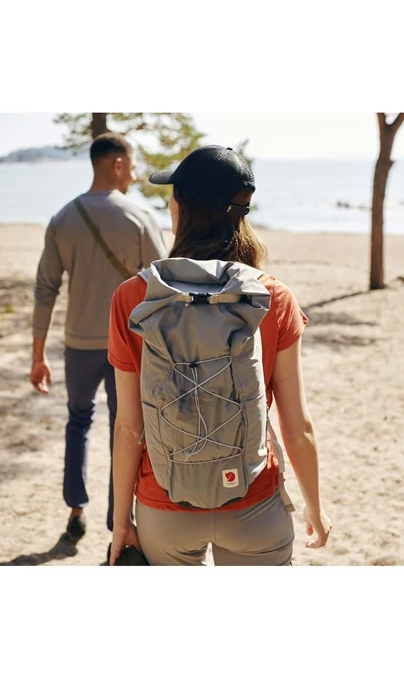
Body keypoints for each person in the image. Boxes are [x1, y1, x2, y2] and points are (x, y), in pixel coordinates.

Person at [106, 145, 332, 565]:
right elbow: (297, 425)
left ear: (180, 206)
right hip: (254, 503)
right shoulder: (271, 297)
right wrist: (314, 508)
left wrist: (122, 521)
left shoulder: (134, 298)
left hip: (164, 505)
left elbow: (128, 428)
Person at [30, 132, 168, 541]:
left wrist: (38, 354)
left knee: (78, 421)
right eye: (133, 166)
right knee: (126, 429)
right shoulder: (140, 217)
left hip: (78, 345)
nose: (135, 175)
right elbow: (163, 288)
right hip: (128, 347)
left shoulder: (63, 218)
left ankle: (76, 509)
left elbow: (45, 289)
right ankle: (118, 521)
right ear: (118, 164)